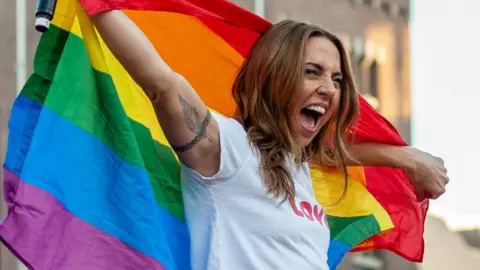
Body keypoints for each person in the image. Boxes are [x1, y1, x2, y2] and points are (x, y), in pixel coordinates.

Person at [88, 9, 448, 270]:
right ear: (274, 77)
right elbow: (162, 85)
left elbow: (331, 152)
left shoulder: (299, 168)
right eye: (312, 72)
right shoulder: (227, 151)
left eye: (337, 79)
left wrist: (408, 158)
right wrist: (96, 6)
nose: (328, 88)